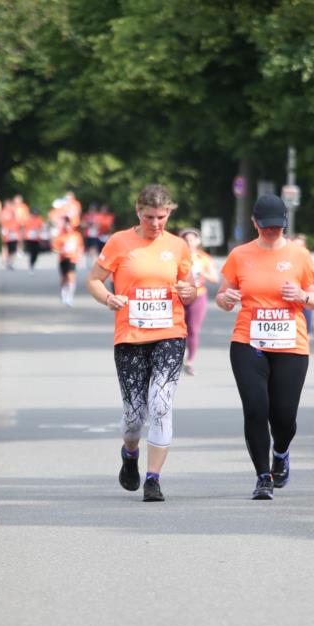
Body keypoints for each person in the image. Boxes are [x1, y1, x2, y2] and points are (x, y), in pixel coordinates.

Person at [87, 184, 196, 502]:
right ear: (138, 212)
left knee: (161, 405)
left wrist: (191, 292)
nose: (156, 224)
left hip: (170, 335)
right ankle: (130, 454)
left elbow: (188, 286)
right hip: (131, 337)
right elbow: (93, 279)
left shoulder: (178, 246)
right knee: (134, 416)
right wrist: (108, 298)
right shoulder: (120, 242)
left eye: (162, 217)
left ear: (169, 213)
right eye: (150, 217)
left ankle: (154, 479)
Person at [216, 194, 314, 501]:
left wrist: (301, 295)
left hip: (291, 344)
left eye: (277, 227)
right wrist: (226, 300)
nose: (271, 232)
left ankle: (282, 450)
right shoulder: (240, 255)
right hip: (248, 342)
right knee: (255, 408)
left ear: (285, 225)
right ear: (254, 224)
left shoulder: (299, 255)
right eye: (266, 227)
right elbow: (223, 296)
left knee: (284, 416)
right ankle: (263, 476)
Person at [179, 227, 219, 375]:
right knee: (177, 329)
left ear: (197, 241)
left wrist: (201, 272)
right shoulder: (177, 257)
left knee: (193, 329)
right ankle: (176, 358)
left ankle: (189, 362)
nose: (189, 242)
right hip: (180, 295)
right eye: (186, 239)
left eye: (192, 239)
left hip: (198, 294)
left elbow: (215, 279)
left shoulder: (204, 258)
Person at [293, 234, 314, 334]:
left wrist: (306, 287)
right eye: (296, 246)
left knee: (305, 330)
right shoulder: (287, 260)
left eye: (301, 246)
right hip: (291, 301)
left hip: (304, 299)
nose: (298, 249)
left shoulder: (308, 260)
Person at [52, 217, 84, 304]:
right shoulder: (60, 236)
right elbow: (54, 248)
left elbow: (80, 247)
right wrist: (61, 251)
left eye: (69, 225)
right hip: (63, 259)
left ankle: (70, 297)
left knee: (71, 277)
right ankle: (63, 292)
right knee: (64, 278)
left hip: (72, 259)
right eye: (66, 226)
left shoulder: (77, 235)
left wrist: (79, 256)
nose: (67, 227)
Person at [24, 208, 45, 273]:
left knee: (36, 254)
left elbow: (42, 228)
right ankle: (31, 265)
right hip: (29, 239)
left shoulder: (39, 220)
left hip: (36, 239)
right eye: (34, 214)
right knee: (31, 252)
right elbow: (24, 228)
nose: (35, 215)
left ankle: (32, 264)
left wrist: (40, 235)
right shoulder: (28, 219)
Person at [0, 199, 19, 269]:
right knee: (5, 245)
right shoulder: (3, 212)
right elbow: (2, 221)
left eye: (9, 205)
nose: (8, 206)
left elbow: (17, 221)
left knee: (13, 248)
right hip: (6, 231)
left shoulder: (13, 211)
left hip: (13, 231)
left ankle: (10, 262)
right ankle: (5, 258)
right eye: (7, 204)